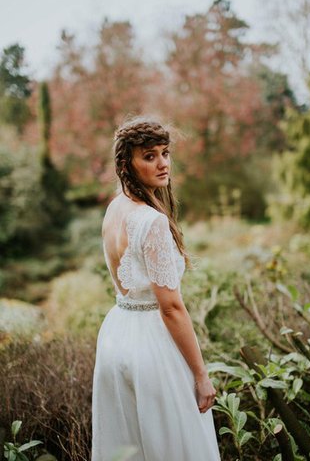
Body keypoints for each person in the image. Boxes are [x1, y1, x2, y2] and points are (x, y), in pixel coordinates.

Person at [91, 117, 221, 461]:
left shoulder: (114, 208)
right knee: (175, 444)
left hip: (116, 335)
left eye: (165, 153)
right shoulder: (151, 221)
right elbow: (172, 308)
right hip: (152, 344)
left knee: (131, 445)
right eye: (149, 156)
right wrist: (201, 375)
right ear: (126, 164)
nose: (163, 163)